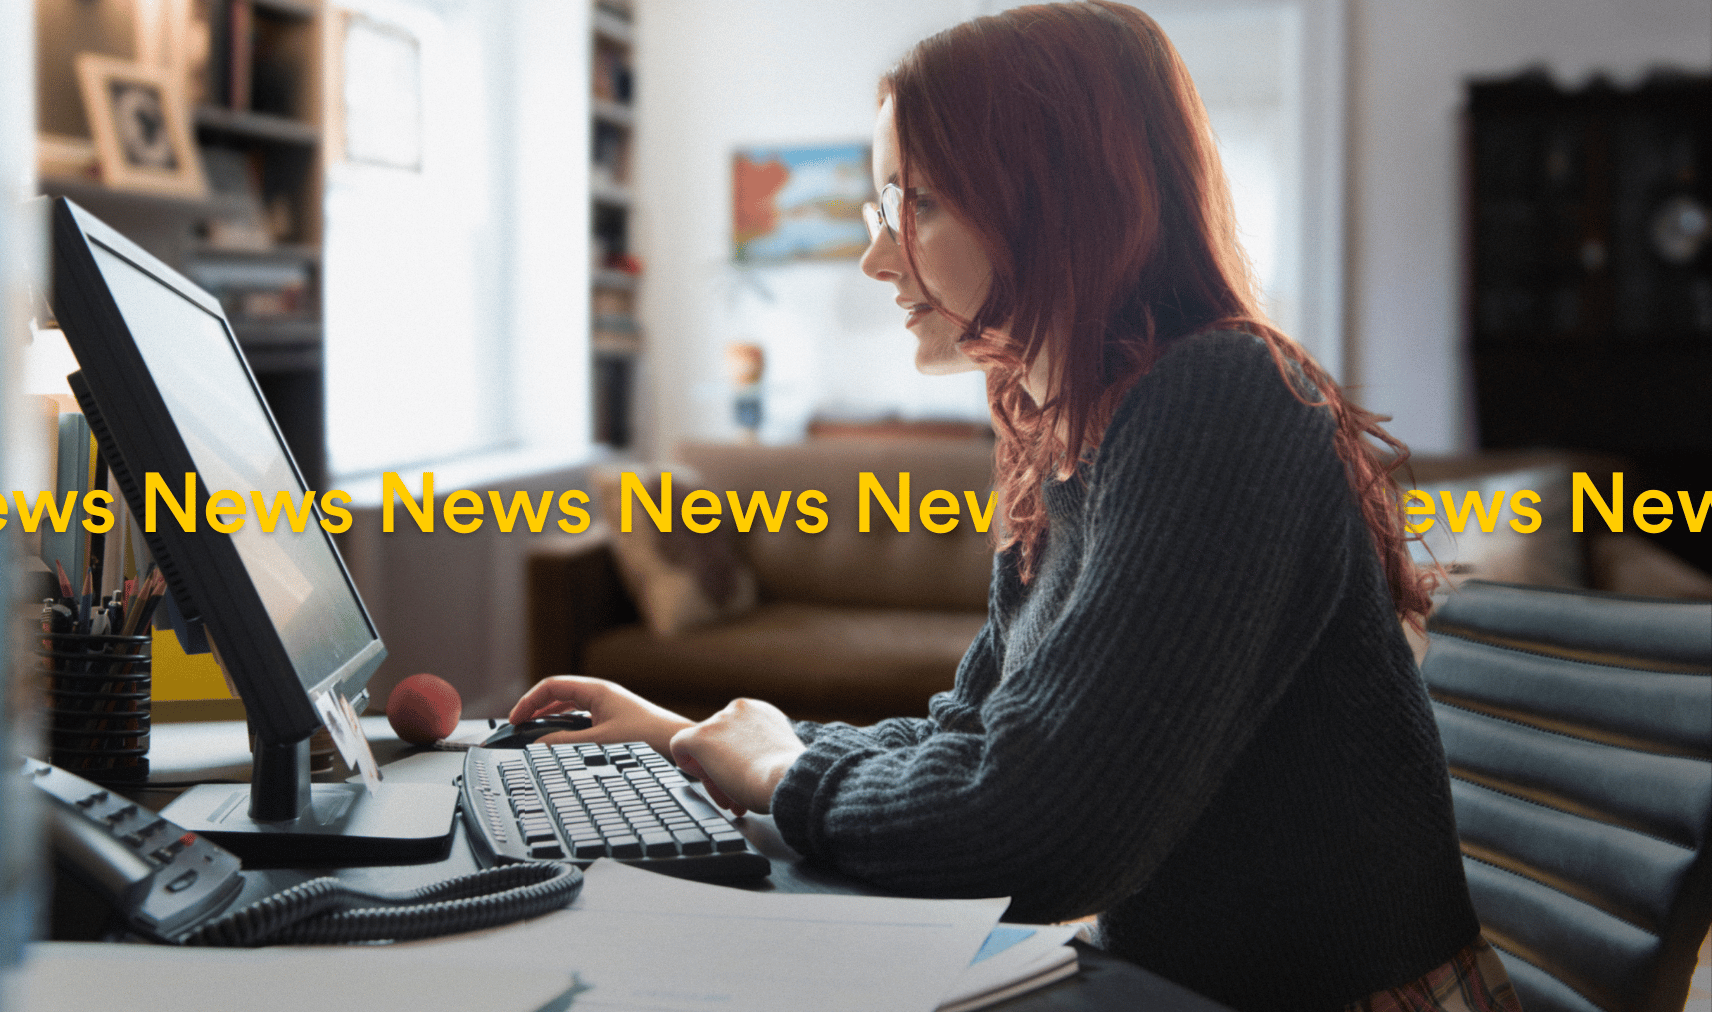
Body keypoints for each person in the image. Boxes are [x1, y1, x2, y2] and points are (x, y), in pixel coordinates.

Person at [511, 4, 1519, 1009]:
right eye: (881, 208)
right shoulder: (1069, 433)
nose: (877, 256)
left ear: (1057, 200)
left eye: (920, 205)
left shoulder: (1221, 396)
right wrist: (707, 743)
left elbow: (1038, 831)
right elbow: (974, 738)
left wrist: (778, 772)